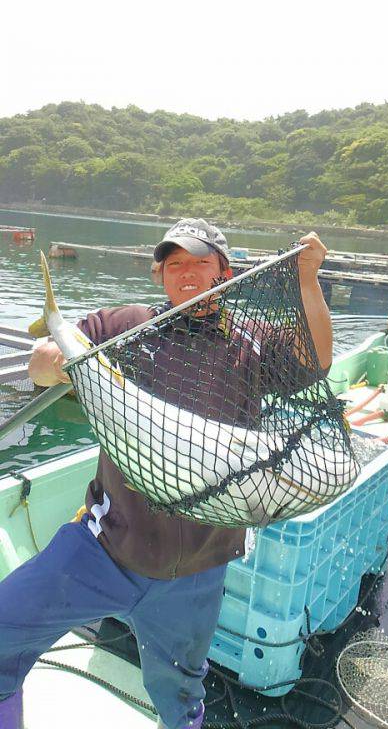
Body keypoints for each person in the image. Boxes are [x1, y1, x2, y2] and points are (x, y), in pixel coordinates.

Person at [0, 218, 332, 729]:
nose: (188, 273)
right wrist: (56, 360)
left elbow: (315, 360)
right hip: (103, 546)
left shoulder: (250, 342)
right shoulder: (127, 325)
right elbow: (41, 364)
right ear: (160, 275)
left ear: (226, 273)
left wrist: (308, 278)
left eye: (201, 262)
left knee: (180, 691)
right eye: (175, 264)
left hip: (199, 565)